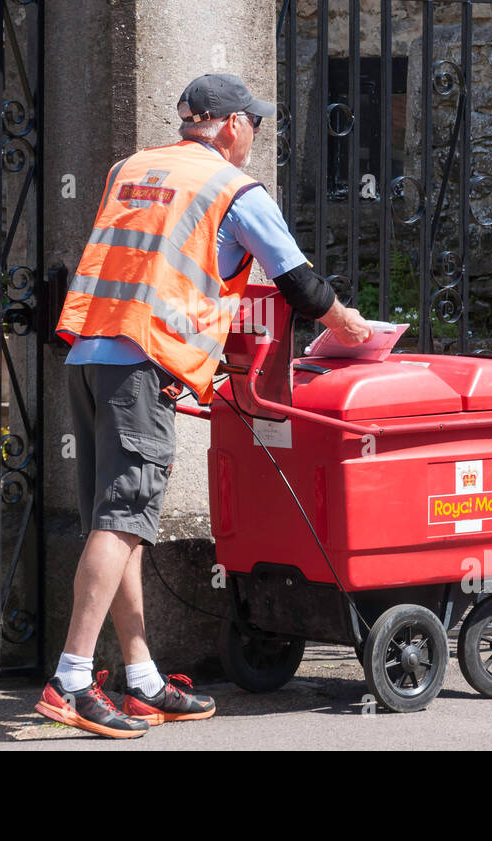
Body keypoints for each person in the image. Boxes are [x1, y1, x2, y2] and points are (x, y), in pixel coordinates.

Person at [34, 73, 372, 738]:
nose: (256, 136)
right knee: (123, 521)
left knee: (118, 522)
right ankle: (70, 678)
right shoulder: (234, 190)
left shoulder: (130, 168)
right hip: (143, 364)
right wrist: (351, 325)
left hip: (90, 354)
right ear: (233, 125)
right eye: (256, 124)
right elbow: (301, 285)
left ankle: (141, 679)